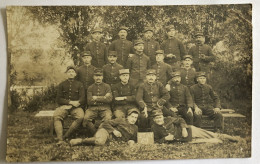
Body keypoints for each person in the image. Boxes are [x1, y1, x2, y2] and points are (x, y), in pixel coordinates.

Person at [151, 110, 240, 144]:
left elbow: (181, 120)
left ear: (163, 116)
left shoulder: (169, 119)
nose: (159, 119)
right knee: (210, 142)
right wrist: (165, 139)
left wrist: (184, 128)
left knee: (213, 135)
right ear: (154, 120)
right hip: (184, 140)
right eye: (156, 118)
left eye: (160, 117)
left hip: (190, 131)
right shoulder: (154, 128)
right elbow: (156, 141)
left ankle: (235, 138)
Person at [70, 108, 140, 146]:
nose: (133, 119)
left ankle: (94, 140)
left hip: (112, 141)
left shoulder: (135, 128)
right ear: (127, 116)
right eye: (132, 117)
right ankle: (80, 141)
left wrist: (131, 142)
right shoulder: (120, 120)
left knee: (102, 143)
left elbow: (132, 139)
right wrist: (114, 131)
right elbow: (105, 123)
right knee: (100, 141)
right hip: (105, 132)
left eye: (136, 118)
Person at [53, 66, 85, 145]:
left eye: (73, 72)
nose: (71, 73)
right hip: (64, 106)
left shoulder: (80, 84)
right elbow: (58, 99)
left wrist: (77, 103)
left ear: (75, 74)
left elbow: (82, 98)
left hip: (76, 107)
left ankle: (66, 136)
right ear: (66, 74)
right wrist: (70, 102)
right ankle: (60, 139)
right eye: (69, 72)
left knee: (80, 117)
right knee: (57, 116)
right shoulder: (62, 84)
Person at [82, 69, 113, 135]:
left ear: (102, 77)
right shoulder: (90, 87)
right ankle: (95, 134)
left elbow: (109, 99)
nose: (98, 78)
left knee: (107, 118)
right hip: (92, 108)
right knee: (86, 119)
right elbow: (89, 101)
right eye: (96, 76)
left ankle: (100, 134)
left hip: (105, 108)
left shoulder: (107, 86)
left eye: (100, 76)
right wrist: (104, 97)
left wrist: (96, 98)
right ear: (93, 77)